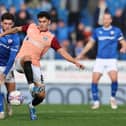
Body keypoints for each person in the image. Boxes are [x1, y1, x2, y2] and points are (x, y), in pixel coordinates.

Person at [0, 11, 84, 120]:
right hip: (20, 61)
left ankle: (31, 105)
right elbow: (16, 29)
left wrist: (75, 61)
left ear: (49, 22)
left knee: (41, 95)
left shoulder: (51, 38)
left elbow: (62, 52)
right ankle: (31, 87)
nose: (41, 23)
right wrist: (2, 34)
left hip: (35, 65)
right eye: (40, 21)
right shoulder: (31, 27)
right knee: (27, 58)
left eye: (44, 21)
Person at [77, 13, 126, 109]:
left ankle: (112, 98)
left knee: (114, 79)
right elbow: (90, 44)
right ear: (102, 20)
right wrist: (81, 54)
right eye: (104, 19)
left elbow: (123, 41)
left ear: (111, 20)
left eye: (108, 19)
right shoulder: (97, 31)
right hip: (100, 60)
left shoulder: (116, 31)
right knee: (94, 80)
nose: (106, 21)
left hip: (111, 59)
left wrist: (123, 47)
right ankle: (96, 102)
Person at [0, 13, 20, 119]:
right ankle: (1, 111)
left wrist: (4, 73)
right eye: (5, 23)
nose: (7, 26)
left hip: (8, 65)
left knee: (11, 92)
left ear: (13, 25)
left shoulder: (15, 38)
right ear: (1, 23)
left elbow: (12, 58)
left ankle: (8, 104)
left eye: (9, 24)